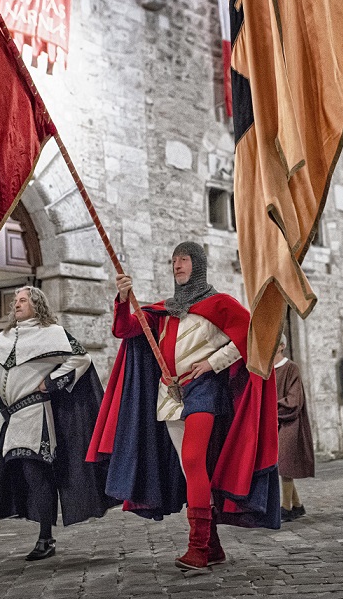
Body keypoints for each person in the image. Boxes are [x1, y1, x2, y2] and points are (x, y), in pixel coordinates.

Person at [88, 241, 280, 570]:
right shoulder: (165, 311)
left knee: (192, 460)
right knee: (193, 470)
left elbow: (257, 335)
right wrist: (122, 299)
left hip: (205, 391)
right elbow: (125, 329)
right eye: (174, 261)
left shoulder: (220, 304)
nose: (177, 266)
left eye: (184, 260)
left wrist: (214, 362)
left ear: (198, 265)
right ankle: (214, 546)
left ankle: (198, 547)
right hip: (170, 398)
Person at [0, 286, 116, 563]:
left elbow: (82, 358)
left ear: (37, 305)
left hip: (33, 412)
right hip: (5, 416)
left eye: (23, 300)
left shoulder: (52, 333)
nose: (17, 303)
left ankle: (45, 539)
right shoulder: (6, 336)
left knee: (37, 476)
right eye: (16, 300)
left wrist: (51, 382)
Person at [274, 337, 314, 522]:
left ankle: (286, 508)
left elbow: (294, 399)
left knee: (284, 461)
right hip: (273, 421)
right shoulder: (265, 370)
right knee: (281, 463)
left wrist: (273, 407)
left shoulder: (291, 368)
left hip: (290, 420)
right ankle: (298, 505)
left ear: (282, 346)